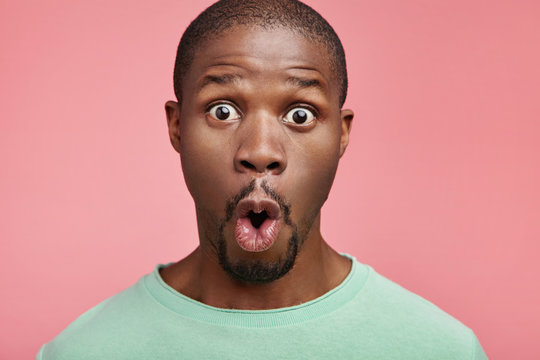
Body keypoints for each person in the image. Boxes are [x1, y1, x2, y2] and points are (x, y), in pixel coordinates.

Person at [37, 0, 488, 358]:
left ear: (342, 135)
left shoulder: (441, 349)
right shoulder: (82, 352)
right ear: (177, 128)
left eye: (300, 114)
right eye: (223, 111)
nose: (260, 152)